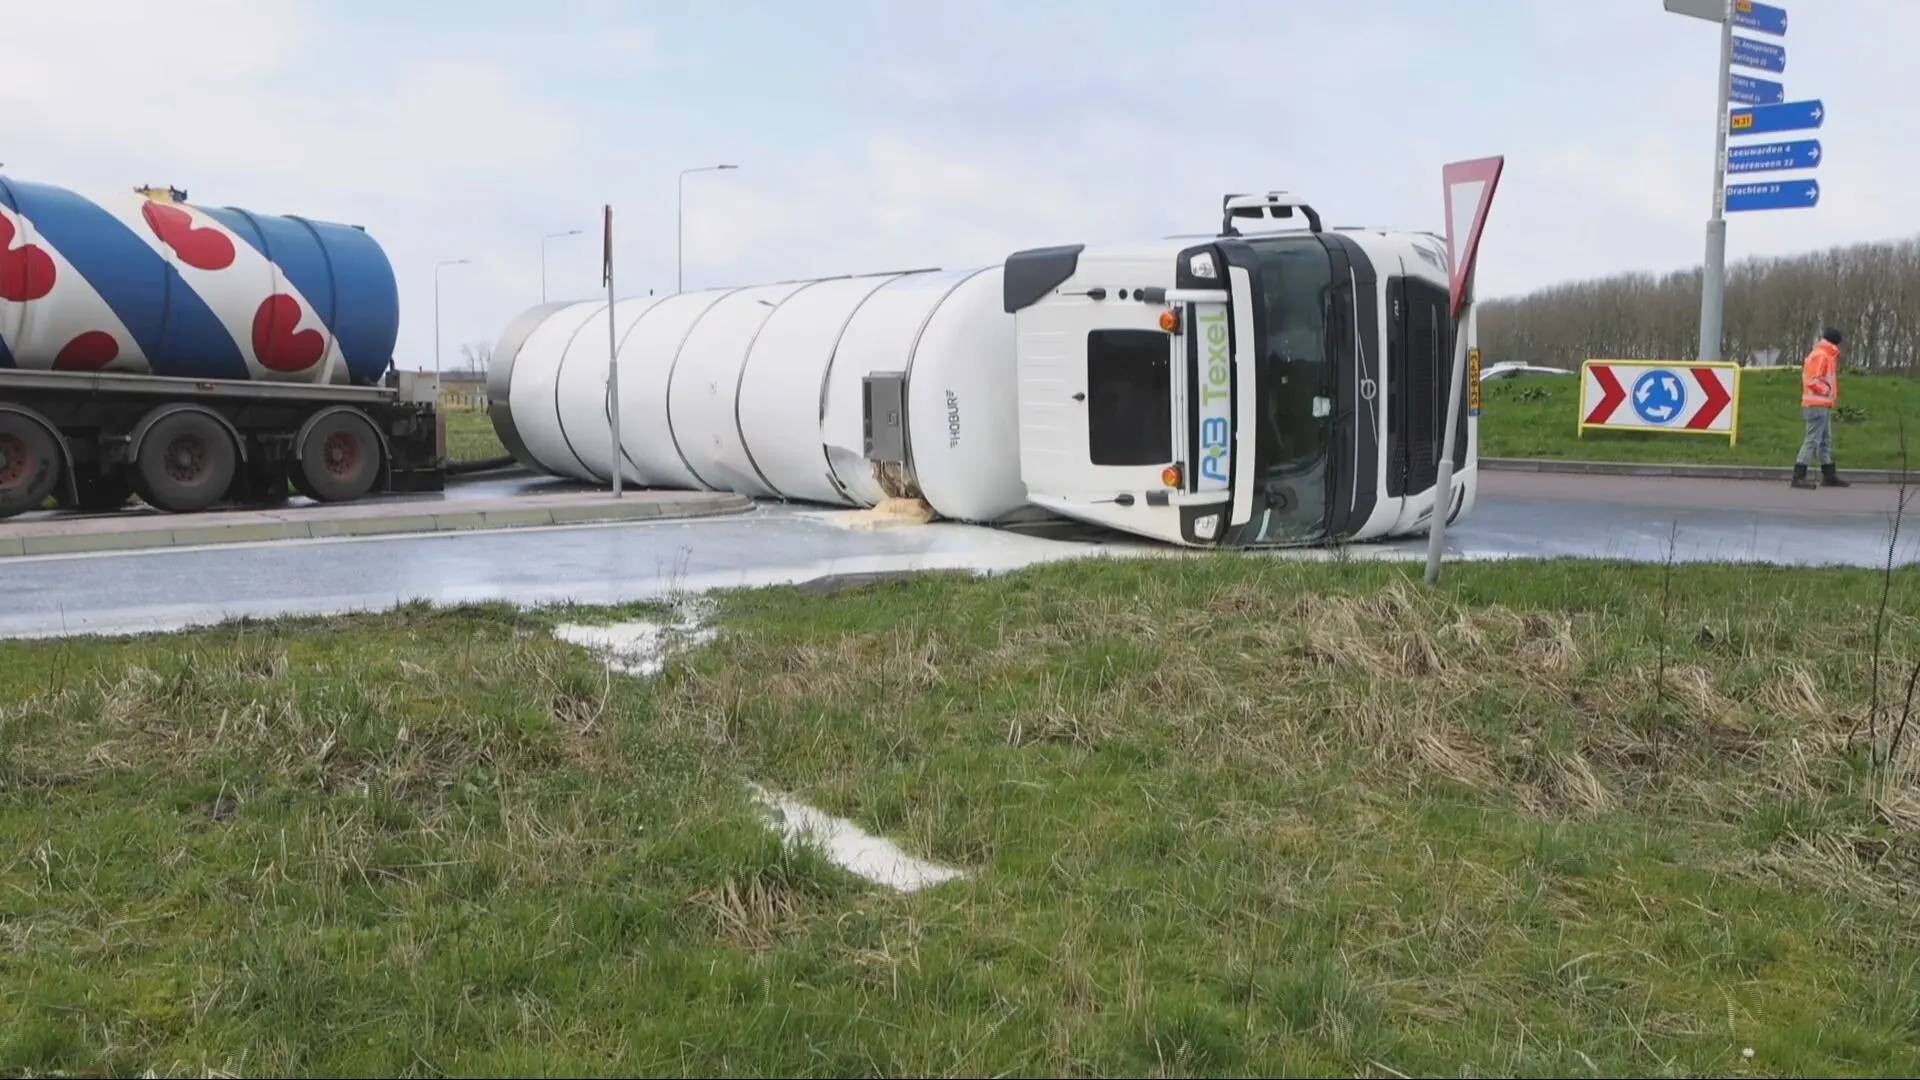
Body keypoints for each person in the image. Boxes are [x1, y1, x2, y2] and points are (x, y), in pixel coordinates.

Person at [1791, 327, 1848, 489]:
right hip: (1817, 404)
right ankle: (1798, 476)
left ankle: (1829, 475)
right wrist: (1827, 391)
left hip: (1821, 405)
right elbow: (1812, 380)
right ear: (1835, 342)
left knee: (1824, 441)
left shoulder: (1823, 354)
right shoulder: (1822, 356)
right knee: (1812, 440)